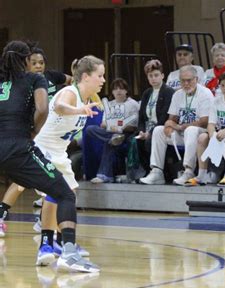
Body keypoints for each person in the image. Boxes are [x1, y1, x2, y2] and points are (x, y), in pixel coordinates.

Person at [0, 40, 99, 272]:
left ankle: (47, 244)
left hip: (10, 147)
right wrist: (31, 132)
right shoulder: (36, 80)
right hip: (22, 146)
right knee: (64, 193)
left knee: (27, 183)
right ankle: (68, 252)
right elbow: (44, 109)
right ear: (26, 61)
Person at [139, 66, 213, 185]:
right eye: (183, 80)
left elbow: (205, 121)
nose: (186, 83)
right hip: (183, 133)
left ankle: (189, 171)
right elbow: (171, 119)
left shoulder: (205, 93)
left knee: (191, 130)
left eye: (189, 80)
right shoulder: (177, 94)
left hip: (201, 133)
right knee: (158, 130)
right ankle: (157, 172)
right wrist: (168, 126)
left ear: (197, 79)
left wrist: (180, 127)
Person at [87, 78, 140, 183]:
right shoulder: (109, 104)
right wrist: (112, 126)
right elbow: (103, 124)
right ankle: (113, 138)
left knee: (111, 141)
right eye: (115, 89)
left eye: (121, 88)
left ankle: (104, 176)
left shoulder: (133, 104)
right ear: (112, 92)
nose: (118, 91)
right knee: (90, 129)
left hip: (126, 135)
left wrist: (118, 126)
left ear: (126, 91)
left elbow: (134, 127)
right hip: (110, 132)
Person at [136, 59, 174, 171]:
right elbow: (142, 117)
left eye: (156, 75)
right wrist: (141, 130)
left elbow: (165, 116)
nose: (153, 78)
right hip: (147, 128)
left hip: (161, 127)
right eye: (150, 76)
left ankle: (158, 171)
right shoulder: (147, 93)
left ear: (162, 75)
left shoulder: (168, 92)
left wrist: (150, 132)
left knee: (149, 140)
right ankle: (146, 171)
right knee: (136, 140)